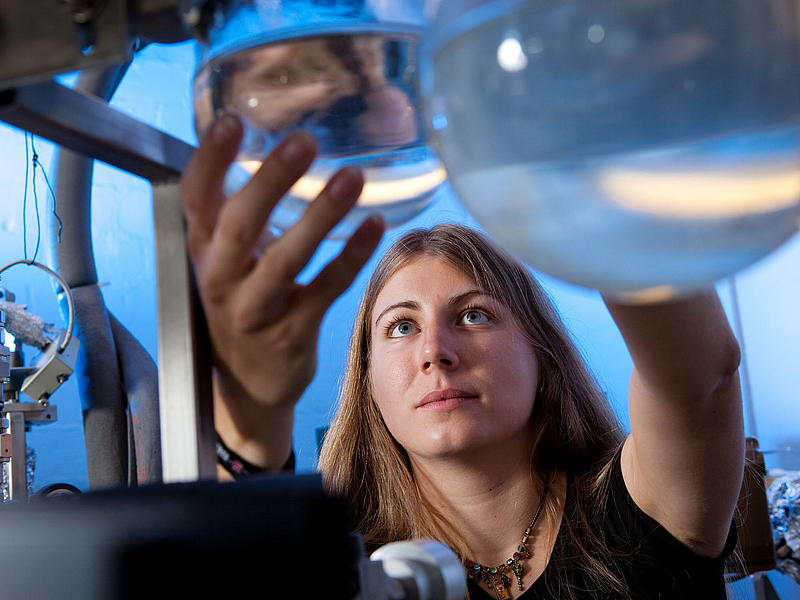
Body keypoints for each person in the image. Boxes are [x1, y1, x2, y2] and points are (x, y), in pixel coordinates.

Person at [180, 115, 745, 600]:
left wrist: (590, 173)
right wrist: (253, 416)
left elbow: (700, 379)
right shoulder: (343, 565)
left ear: (540, 352)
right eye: (400, 327)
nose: (434, 352)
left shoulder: (641, 514)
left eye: (474, 315)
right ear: (368, 381)